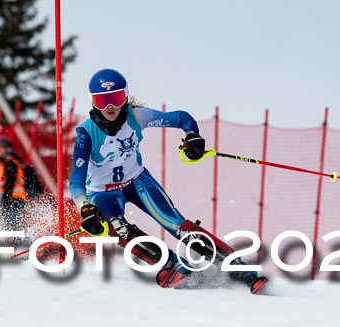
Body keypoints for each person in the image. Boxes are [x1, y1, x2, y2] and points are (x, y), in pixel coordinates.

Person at [69, 68, 268, 293]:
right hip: (103, 192)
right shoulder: (86, 134)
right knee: (117, 228)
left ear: (125, 96)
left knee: (177, 225)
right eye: (102, 101)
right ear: (92, 102)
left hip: (137, 182)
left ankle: (241, 270)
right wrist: (85, 208)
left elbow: (181, 118)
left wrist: (192, 135)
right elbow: (76, 182)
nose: (110, 107)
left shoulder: (136, 116)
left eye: (115, 98)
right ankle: (171, 264)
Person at [0, 136, 28, 232]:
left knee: (8, 221)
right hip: (9, 199)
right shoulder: (2, 164)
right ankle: (19, 243)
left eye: (1, 147)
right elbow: (1, 185)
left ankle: (21, 243)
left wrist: (3, 202)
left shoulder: (10, 162)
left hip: (14, 199)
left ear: (7, 149)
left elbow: (10, 183)